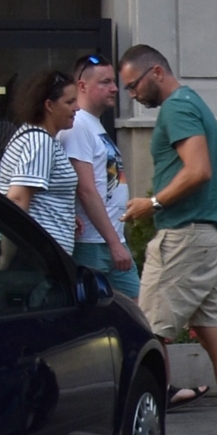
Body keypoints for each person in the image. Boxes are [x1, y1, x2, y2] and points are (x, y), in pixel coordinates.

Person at [118, 44, 217, 435]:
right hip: (209, 236)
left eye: (134, 85)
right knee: (216, 337)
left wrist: (151, 203)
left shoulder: (176, 108)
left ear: (156, 71)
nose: (132, 96)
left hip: (185, 238)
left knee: (147, 338)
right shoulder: (193, 104)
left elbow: (198, 170)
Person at [64, 54, 138, 297]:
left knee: (139, 313)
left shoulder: (93, 125)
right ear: (82, 86)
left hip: (110, 240)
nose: (115, 88)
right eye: (105, 82)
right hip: (92, 244)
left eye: (113, 82)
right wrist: (114, 243)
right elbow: (85, 189)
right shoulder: (77, 125)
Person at [0, 70, 80, 251]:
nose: (77, 108)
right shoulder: (39, 142)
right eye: (70, 102)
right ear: (49, 105)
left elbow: (40, 199)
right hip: (30, 253)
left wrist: (65, 215)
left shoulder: (40, 138)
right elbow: (17, 200)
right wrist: (7, 256)